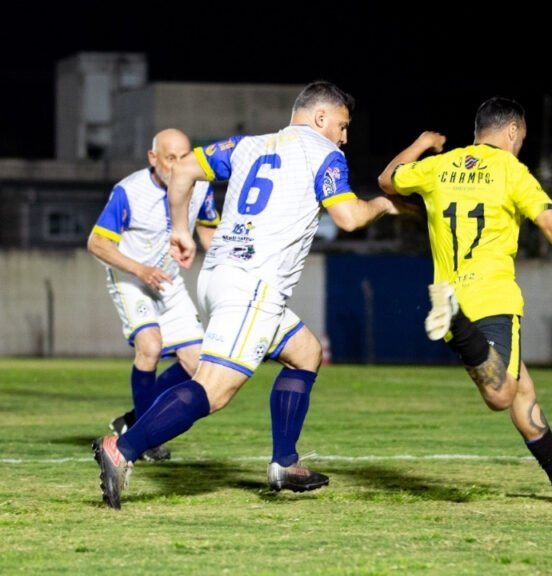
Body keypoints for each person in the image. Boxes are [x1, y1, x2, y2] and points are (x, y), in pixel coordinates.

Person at [91, 81, 399, 509]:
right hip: (254, 287)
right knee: (213, 390)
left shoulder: (248, 145)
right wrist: (384, 205)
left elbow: (183, 171)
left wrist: (181, 229)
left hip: (220, 276)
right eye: (343, 126)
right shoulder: (325, 154)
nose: (345, 137)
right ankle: (121, 450)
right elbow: (347, 217)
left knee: (305, 352)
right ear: (322, 117)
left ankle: (284, 463)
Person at [377, 97, 552, 502]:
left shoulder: (438, 167)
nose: (519, 146)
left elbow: (387, 180)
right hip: (493, 300)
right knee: (501, 395)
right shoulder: (511, 170)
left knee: (522, 390)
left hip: (452, 290)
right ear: (512, 131)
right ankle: (454, 320)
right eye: (521, 139)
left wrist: (421, 142)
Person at [87, 128, 219, 462]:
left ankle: (132, 422)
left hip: (169, 281)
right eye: (170, 158)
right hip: (131, 278)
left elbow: (206, 224)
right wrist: (140, 270)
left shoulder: (199, 186)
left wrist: (219, 259)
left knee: (198, 365)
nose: (177, 165)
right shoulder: (130, 191)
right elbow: (97, 242)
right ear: (153, 158)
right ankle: (144, 442)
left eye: (183, 157)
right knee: (150, 346)